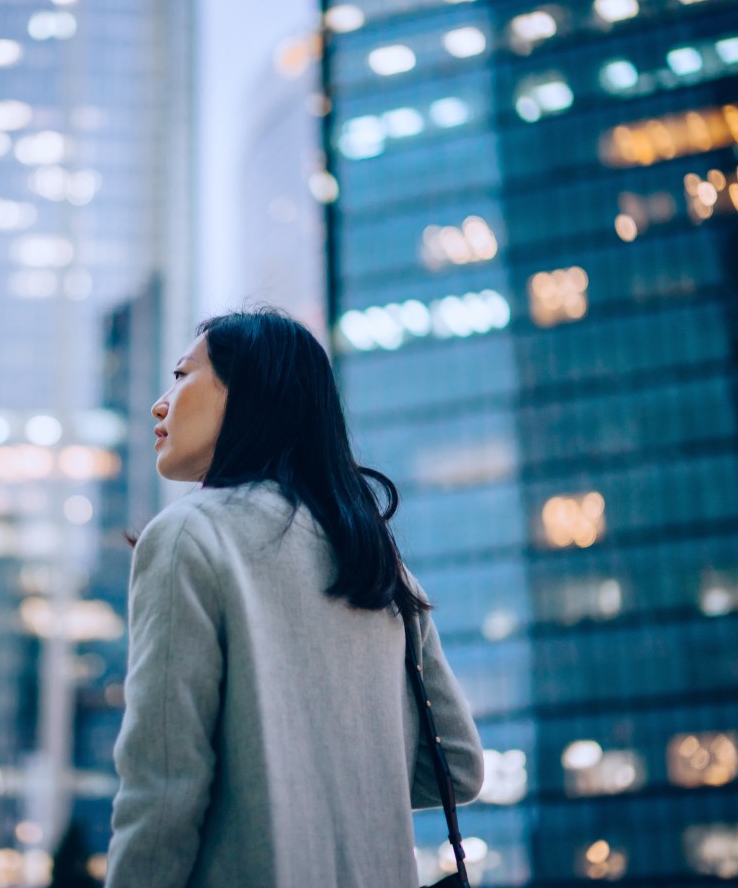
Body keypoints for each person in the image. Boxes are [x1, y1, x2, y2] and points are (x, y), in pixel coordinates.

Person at [105, 309, 484, 888]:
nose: (161, 403)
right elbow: (455, 768)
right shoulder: (377, 564)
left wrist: (274, 778)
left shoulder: (191, 533)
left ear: (253, 392)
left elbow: (162, 788)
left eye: (183, 375)